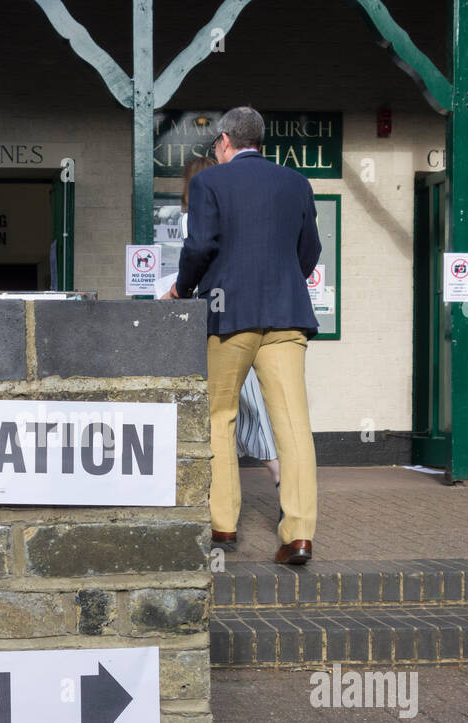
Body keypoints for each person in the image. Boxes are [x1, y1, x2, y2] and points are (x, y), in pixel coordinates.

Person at [161, 106, 322, 564]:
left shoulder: (210, 181)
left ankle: (224, 527)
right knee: (292, 425)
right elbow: (309, 250)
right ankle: (299, 536)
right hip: (286, 317)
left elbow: (201, 246)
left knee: (220, 416)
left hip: (228, 316)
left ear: (225, 142)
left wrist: (182, 289)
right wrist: (283, 285)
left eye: (216, 144)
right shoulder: (296, 183)